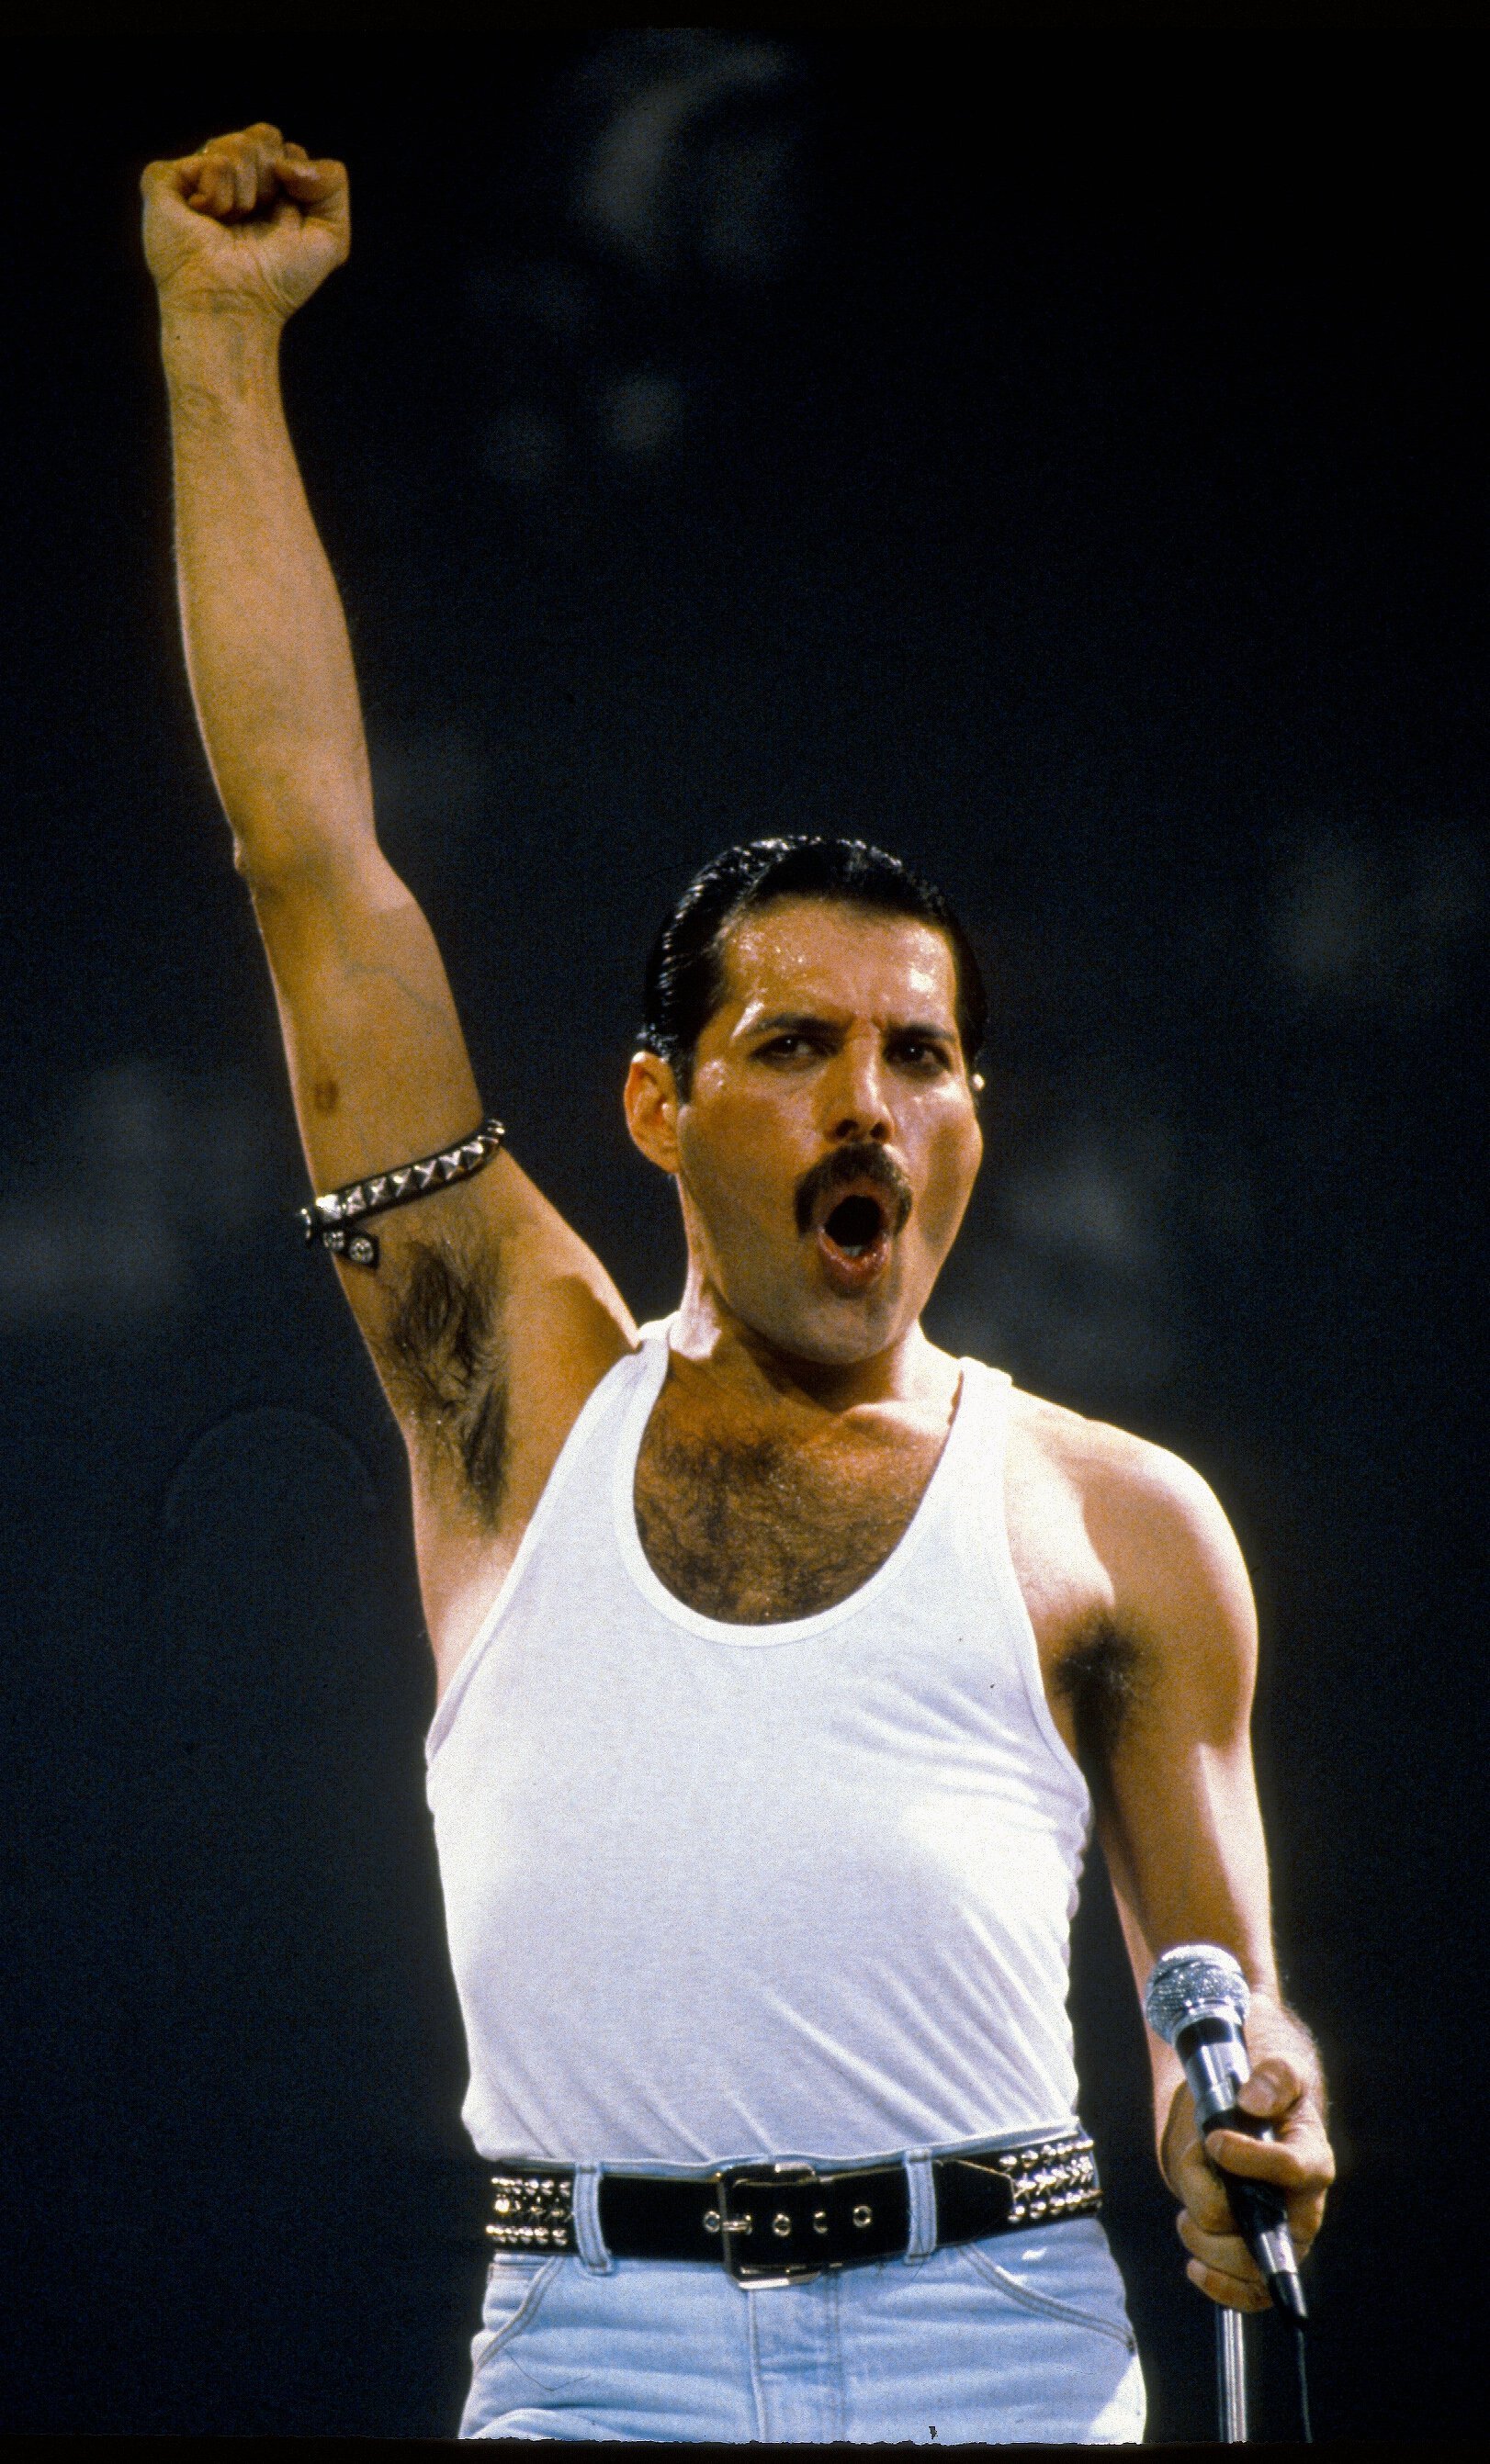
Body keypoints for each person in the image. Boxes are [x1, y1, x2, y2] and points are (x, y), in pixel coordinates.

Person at [141, 123, 1335, 2446]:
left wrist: (1248, 2112)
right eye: (794, 1047)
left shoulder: (1121, 1523)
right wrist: (216, 341)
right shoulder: (521, 1396)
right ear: (662, 1106)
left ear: (974, 1118)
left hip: (1002, 2330)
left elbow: (1228, 2005)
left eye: (921, 1056)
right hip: (597, 2352)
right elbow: (313, 863)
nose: (868, 1104)